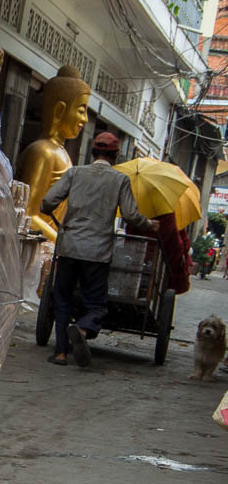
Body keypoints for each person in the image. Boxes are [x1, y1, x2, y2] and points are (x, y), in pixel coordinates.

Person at [41, 131, 158, 367]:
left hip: (70, 246)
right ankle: (83, 330)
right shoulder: (120, 180)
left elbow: (47, 202)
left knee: (62, 299)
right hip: (98, 252)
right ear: (115, 155)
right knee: (95, 304)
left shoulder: (75, 173)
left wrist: (59, 221)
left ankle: (61, 353)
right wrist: (150, 224)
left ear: (93, 152)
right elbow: (131, 215)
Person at [16, 65, 91, 241]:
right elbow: (28, 215)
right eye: (81, 111)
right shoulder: (43, 152)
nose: (85, 119)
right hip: (35, 248)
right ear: (59, 110)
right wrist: (61, 243)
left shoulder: (61, 153)